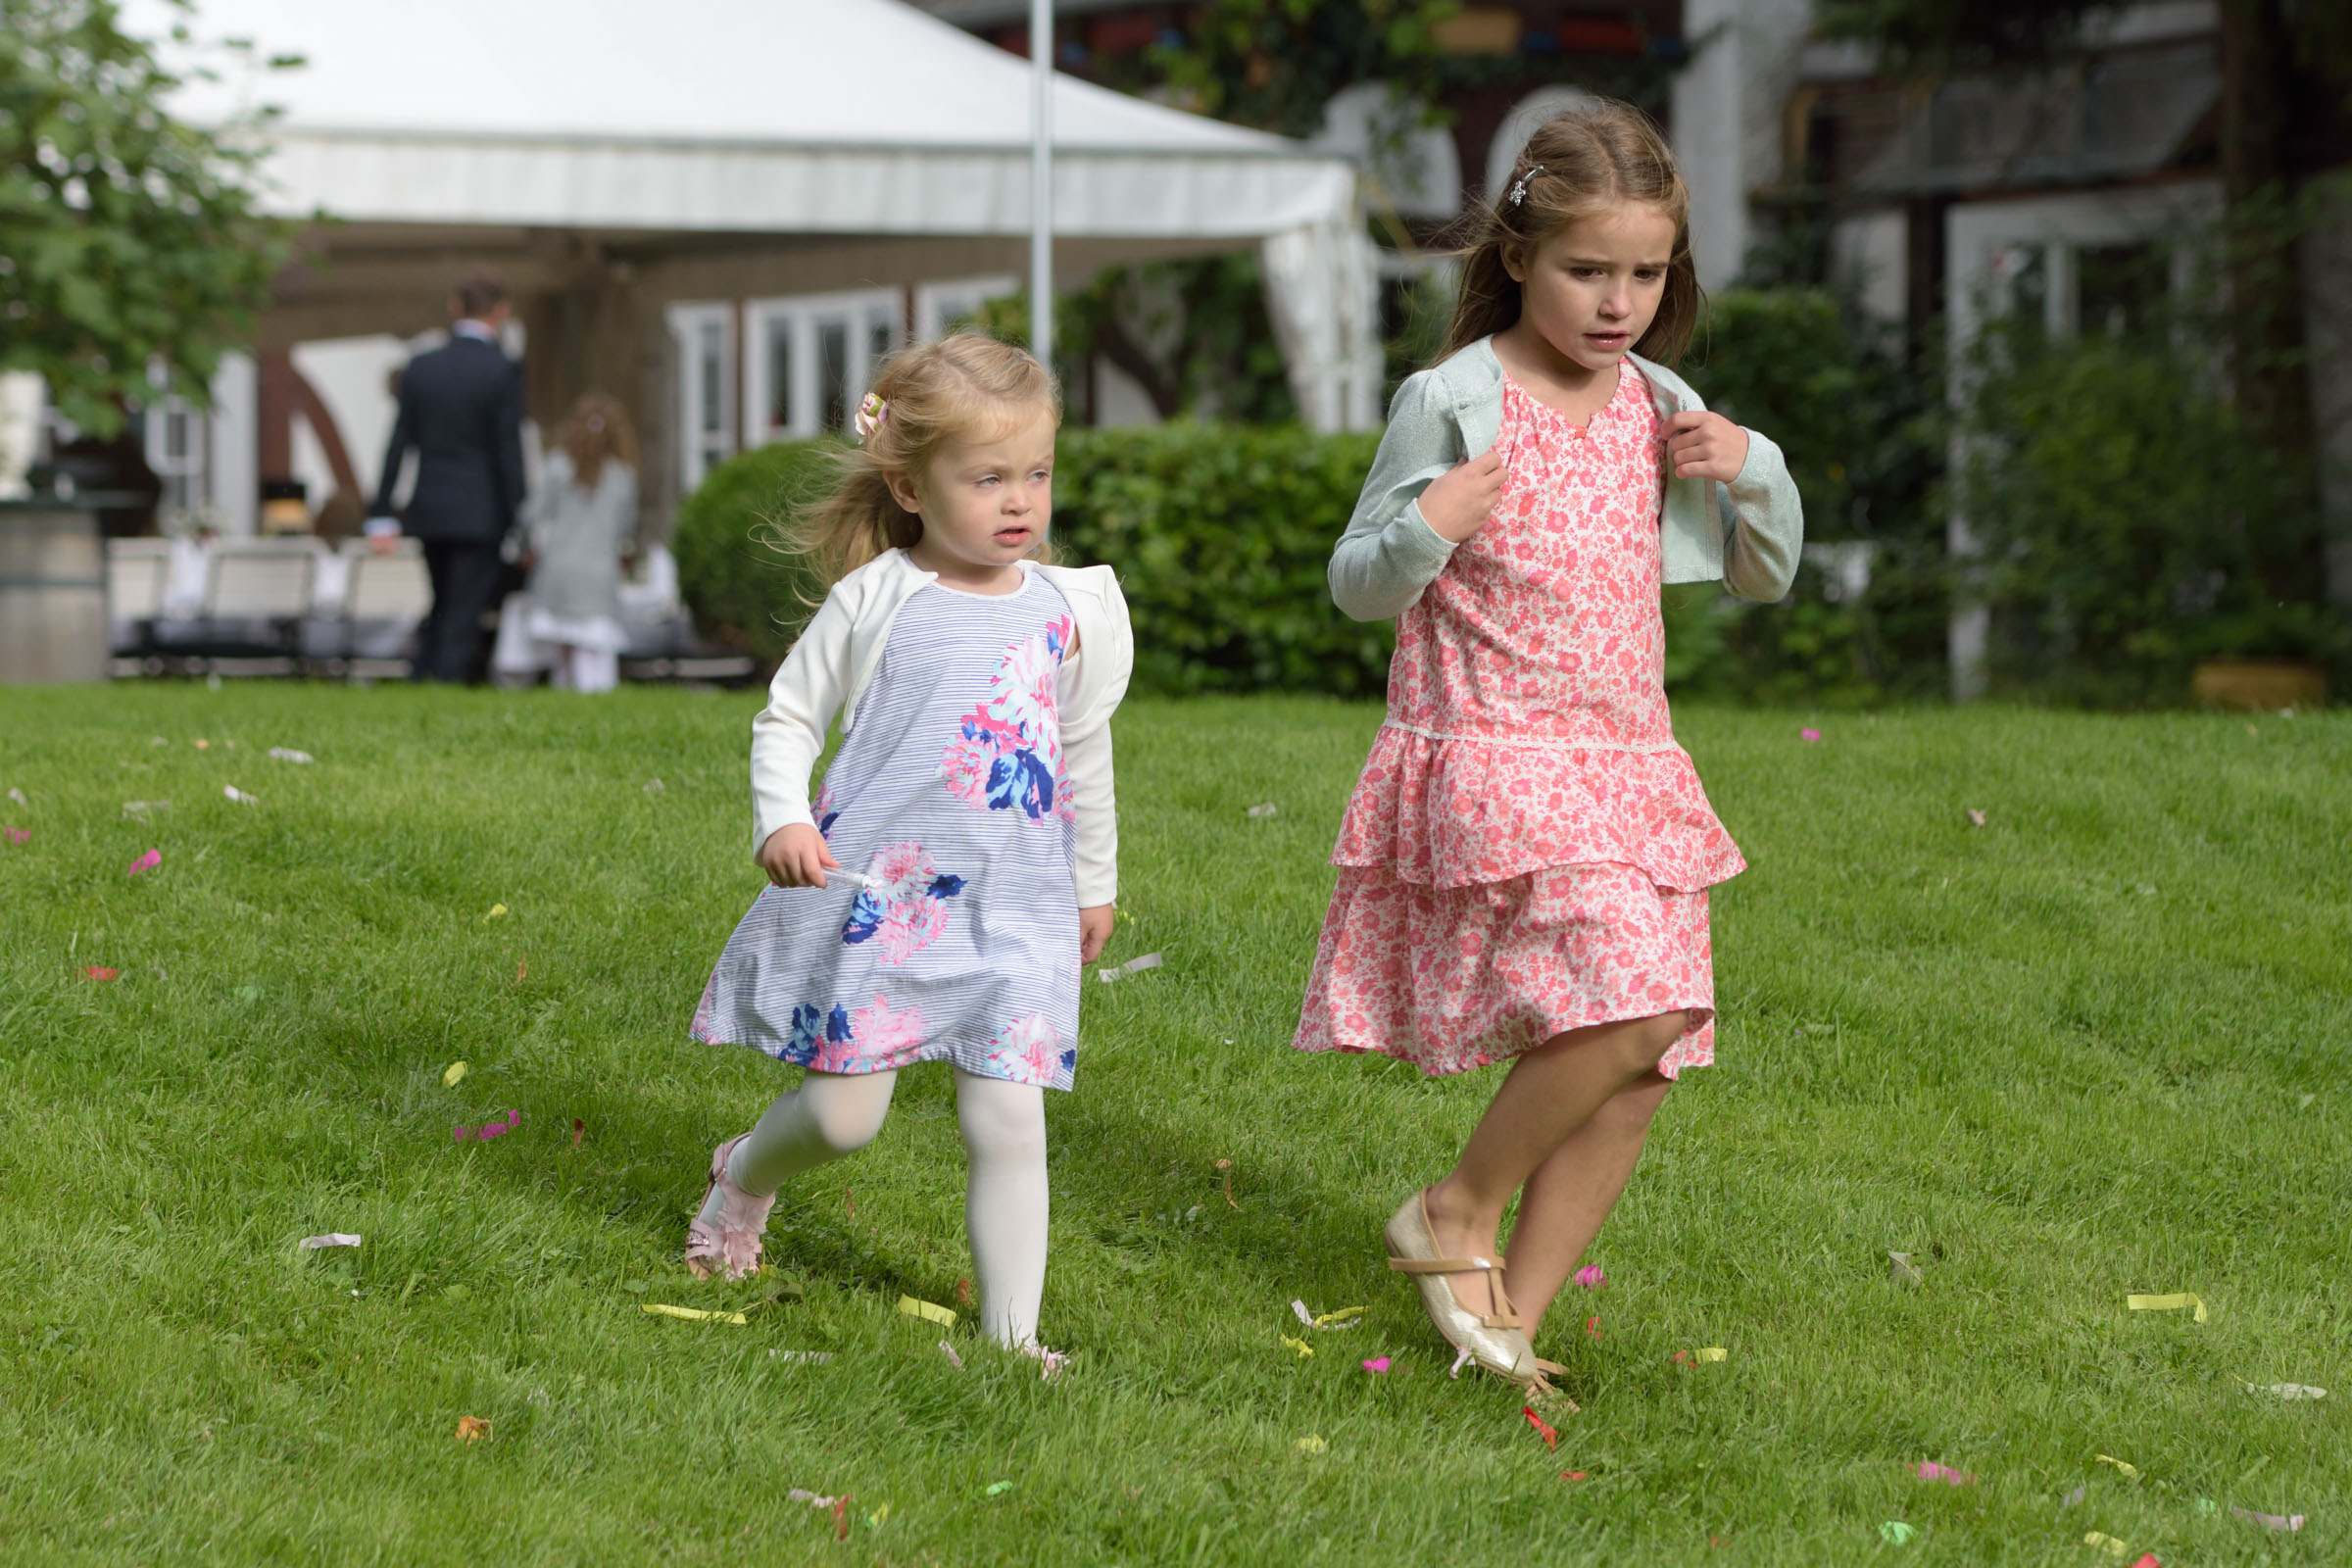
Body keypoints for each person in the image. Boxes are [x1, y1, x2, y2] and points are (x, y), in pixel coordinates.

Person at [1293, 100, 1803, 1397]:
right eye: (1588, 270)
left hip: (1627, 765)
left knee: (1646, 1058)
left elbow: (1763, 575)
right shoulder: (1452, 400)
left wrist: (1756, 468)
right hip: (1495, 754)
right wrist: (1429, 525)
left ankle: (1507, 1323)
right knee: (1636, 1000)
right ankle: (1455, 1209)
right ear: (1518, 257)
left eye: (1647, 273)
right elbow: (1356, 582)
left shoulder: (1663, 405)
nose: (1619, 302)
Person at [681, 334, 1133, 1369]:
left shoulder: (1068, 610)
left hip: (1016, 906)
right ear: (910, 487)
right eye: (987, 478)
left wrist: (1093, 883)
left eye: (1036, 474)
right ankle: (743, 1174)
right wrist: (783, 818)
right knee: (843, 1121)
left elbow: (1082, 750)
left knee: (1010, 1121)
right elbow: (788, 718)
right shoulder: (878, 598)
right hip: (887, 901)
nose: (1020, 502)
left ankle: (1013, 1341)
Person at [367, 272, 525, 683]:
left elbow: (398, 443)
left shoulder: (422, 367)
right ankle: (443, 683)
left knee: (442, 603)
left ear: (455, 307)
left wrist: (381, 511)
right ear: (501, 312)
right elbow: (508, 452)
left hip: (432, 508)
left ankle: (423, 677)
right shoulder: (502, 370)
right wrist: (520, 516)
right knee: (462, 611)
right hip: (481, 511)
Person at [506, 394, 638, 693]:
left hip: (558, 568)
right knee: (591, 647)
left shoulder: (557, 466)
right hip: (599, 572)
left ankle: (565, 693)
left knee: (564, 646)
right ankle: (590, 697)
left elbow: (530, 514)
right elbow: (626, 531)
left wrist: (524, 546)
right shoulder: (623, 476)